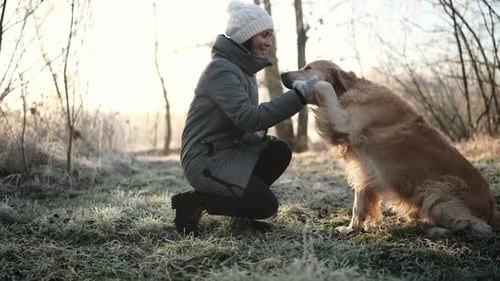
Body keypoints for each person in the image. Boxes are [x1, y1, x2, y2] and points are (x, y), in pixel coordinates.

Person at [172, 0, 318, 236]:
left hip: (228, 152)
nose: (269, 43)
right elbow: (249, 118)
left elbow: (244, 126)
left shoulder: (243, 70)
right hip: (206, 160)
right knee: (265, 205)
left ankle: (242, 213)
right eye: (264, 35)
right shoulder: (221, 70)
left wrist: (258, 137)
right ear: (247, 35)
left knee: (278, 151)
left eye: (270, 35)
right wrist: (299, 95)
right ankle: (194, 203)